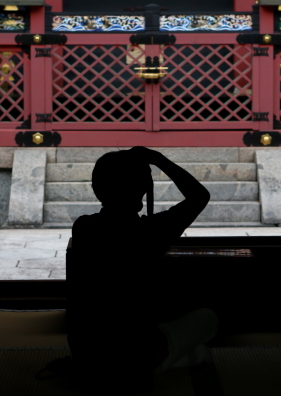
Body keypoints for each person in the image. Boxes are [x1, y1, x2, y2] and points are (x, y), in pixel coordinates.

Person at [65, 146, 218, 394]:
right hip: (138, 356)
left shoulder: (84, 227)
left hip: (88, 355)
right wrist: (159, 160)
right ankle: (174, 359)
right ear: (142, 188)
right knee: (208, 318)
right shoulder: (153, 231)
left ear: (97, 189)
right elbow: (199, 196)